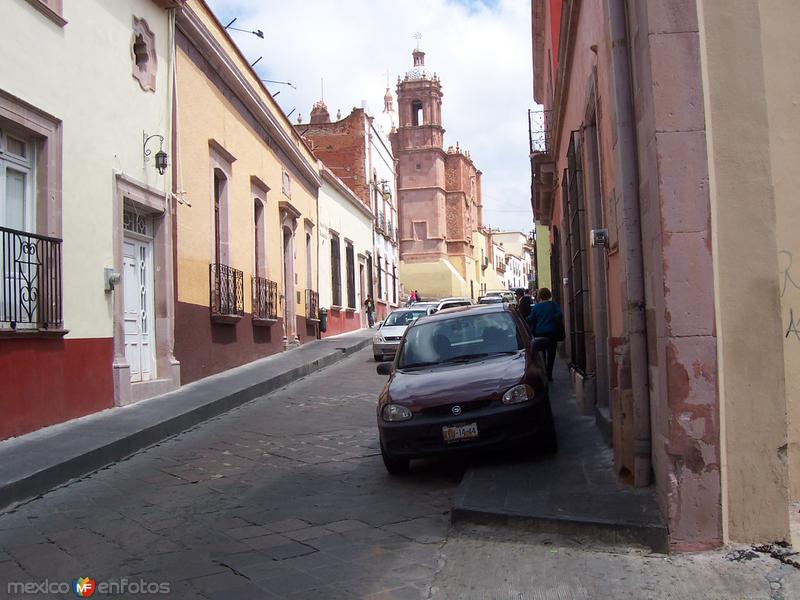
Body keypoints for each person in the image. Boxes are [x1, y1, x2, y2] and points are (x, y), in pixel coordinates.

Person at [526, 287, 563, 381]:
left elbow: (531, 319)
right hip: (552, 332)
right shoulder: (553, 305)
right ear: (548, 295)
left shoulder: (536, 307)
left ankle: (544, 372)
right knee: (551, 354)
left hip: (540, 333)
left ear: (539, 296)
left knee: (541, 354)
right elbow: (559, 315)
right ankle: (549, 373)